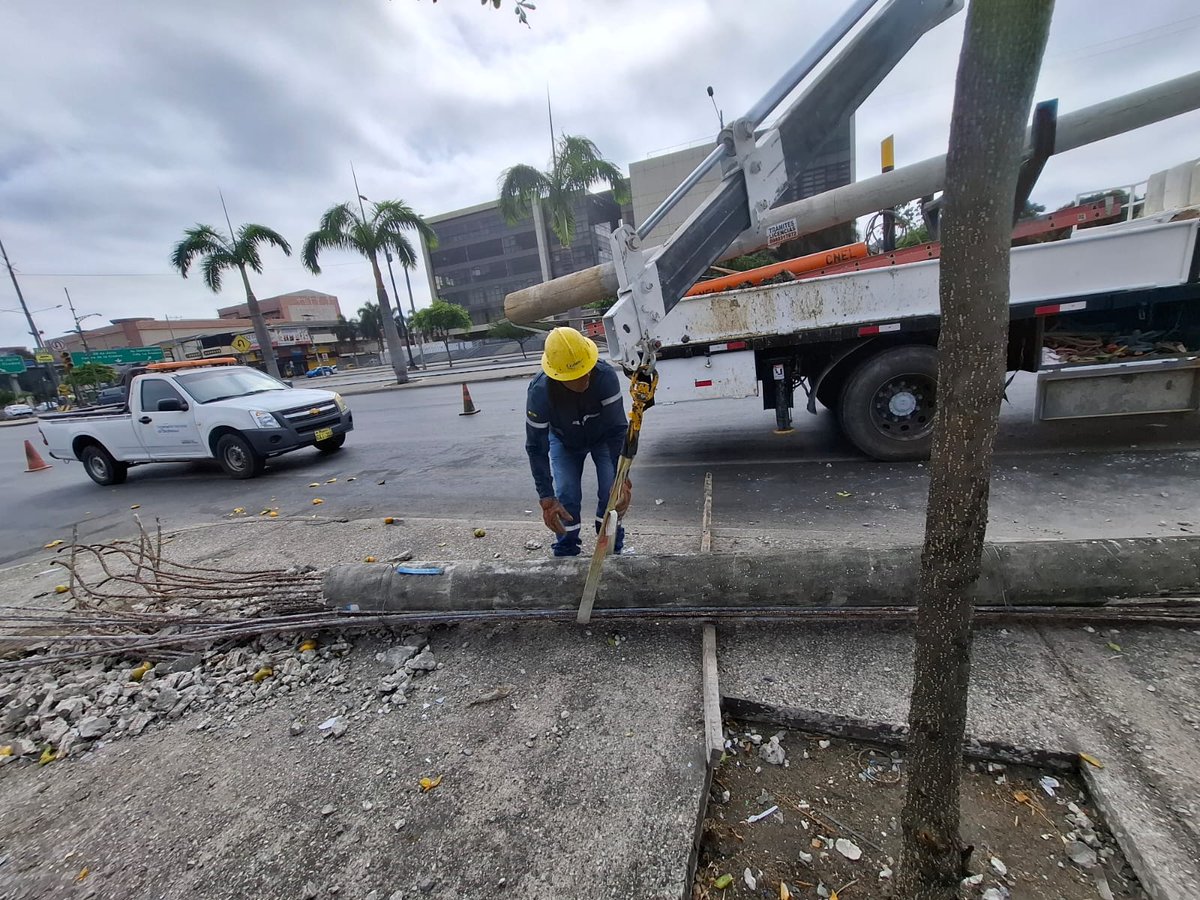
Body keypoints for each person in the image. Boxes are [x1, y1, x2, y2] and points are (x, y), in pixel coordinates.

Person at [525, 327, 633, 557]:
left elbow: (617, 430)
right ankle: (565, 549)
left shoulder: (604, 376)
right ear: (558, 375)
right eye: (576, 376)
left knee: (611, 492)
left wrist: (622, 477)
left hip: (603, 438)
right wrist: (546, 497)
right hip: (564, 441)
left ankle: (612, 546)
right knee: (566, 494)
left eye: (587, 370)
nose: (585, 378)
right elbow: (536, 446)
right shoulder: (540, 392)